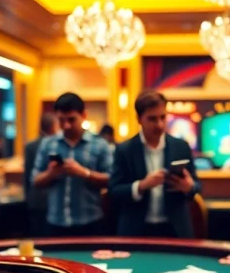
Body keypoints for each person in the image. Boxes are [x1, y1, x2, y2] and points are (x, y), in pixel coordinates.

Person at [108, 90, 200, 238]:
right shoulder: (124, 150)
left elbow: (197, 186)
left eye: (163, 117)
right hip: (136, 231)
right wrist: (141, 185)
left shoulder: (181, 146)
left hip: (175, 230)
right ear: (139, 119)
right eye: (152, 119)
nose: (159, 124)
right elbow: (114, 191)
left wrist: (188, 187)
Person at [32, 94, 113, 237]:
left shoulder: (100, 145)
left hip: (90, 223)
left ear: (84, 115)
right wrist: (51, 174)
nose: (66, 125)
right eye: (61, 120)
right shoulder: (47, 144)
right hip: (55, 223)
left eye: (71, 119)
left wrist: (84, 173)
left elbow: (112, 179)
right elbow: (34, 180)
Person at [23, 113, 58, 237]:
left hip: (34, 200)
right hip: (51, 200)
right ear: (53, 126)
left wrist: (27, 198)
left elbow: (27, 177)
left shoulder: (30, 146)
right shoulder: (55, 145)